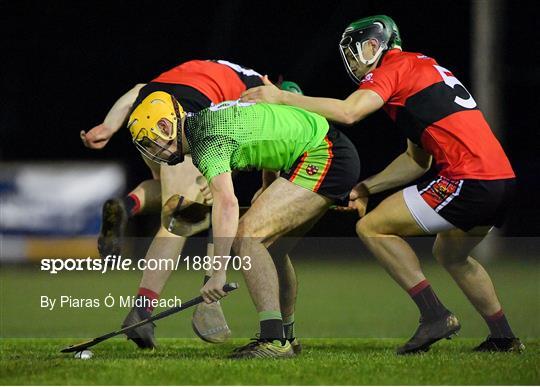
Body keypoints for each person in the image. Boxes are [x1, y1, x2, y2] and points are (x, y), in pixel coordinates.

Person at [240, 15, 524, 354]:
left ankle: (434, 315)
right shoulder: (422, 69)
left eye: (356, 50)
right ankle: (504, 338)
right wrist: (365, 188)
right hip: (501, 181)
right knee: (450, 253)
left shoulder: (394, 66)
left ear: (376, 44)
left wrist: (282, 99)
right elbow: (417, 161)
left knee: (373, 228)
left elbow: (349, 112)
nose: (353, 61)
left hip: (470, 178)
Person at [127, 93, 360, 358]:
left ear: (166, 126)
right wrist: (267, 184)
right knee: (272, 251)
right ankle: (286, 336)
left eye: (151, 141)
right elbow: (268, 127)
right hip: (324, 149)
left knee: (246, 235)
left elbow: (226, 204)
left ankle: (274, 340)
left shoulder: (205, 140)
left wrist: (217, 273)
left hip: (324, 153)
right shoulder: (205, 122)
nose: (152, 150)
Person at [80, 59, 265, 349]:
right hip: (178, 122)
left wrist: (108, 126)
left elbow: (138, 89)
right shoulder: (261, 88)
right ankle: (142, 312)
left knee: (175, 192)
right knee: (183, 217)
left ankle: (127, 206)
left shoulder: (210, 66)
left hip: (145, 116)